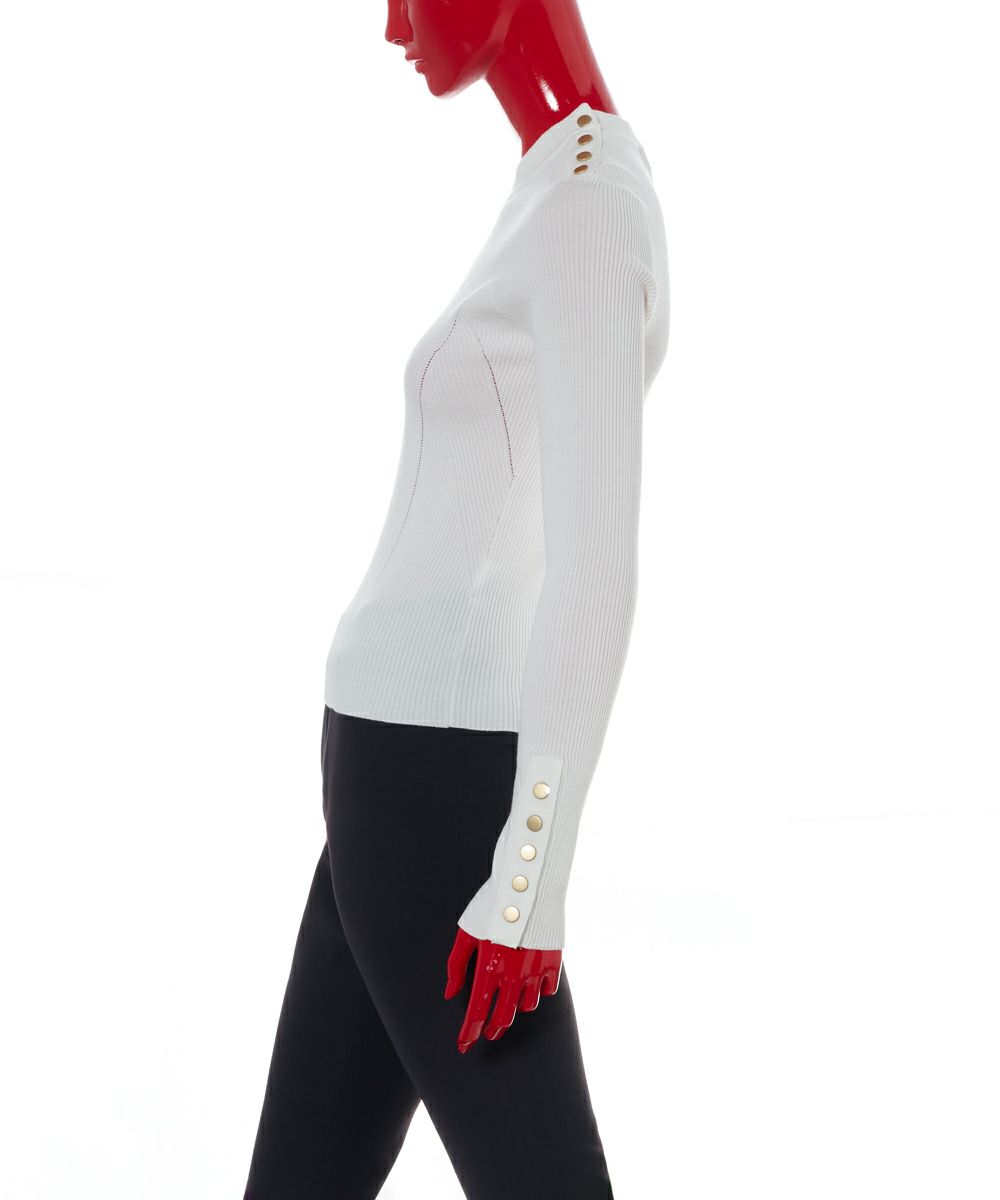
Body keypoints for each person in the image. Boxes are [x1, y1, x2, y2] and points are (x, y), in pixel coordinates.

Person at [244, 2, 669, 1196]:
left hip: (433, 793)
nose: (394, 25)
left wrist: (527, 880)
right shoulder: (552, 184)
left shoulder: (588, 209)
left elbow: (597, 562)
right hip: (386, 782)